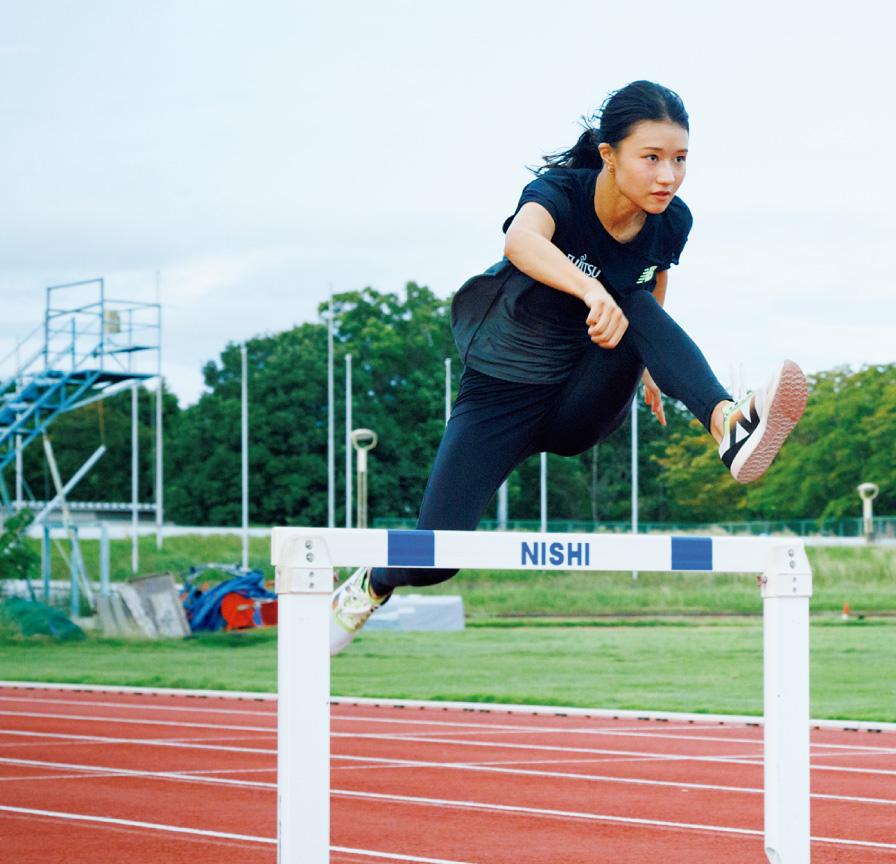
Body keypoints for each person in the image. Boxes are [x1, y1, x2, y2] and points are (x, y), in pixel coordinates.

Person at [329, 80, 807, 653]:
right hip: (500, 396)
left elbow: (653, 281)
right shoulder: (561, 192)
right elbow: (520, 241)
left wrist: (656, 363)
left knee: (630, 300)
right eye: (651, 158)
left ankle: (727, 422)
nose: (668, 176)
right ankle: (373, 582)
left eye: (681, 160)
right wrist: (590, 291)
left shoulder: (671, 221)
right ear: (609, 155)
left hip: (581, 399)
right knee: (436, 557)